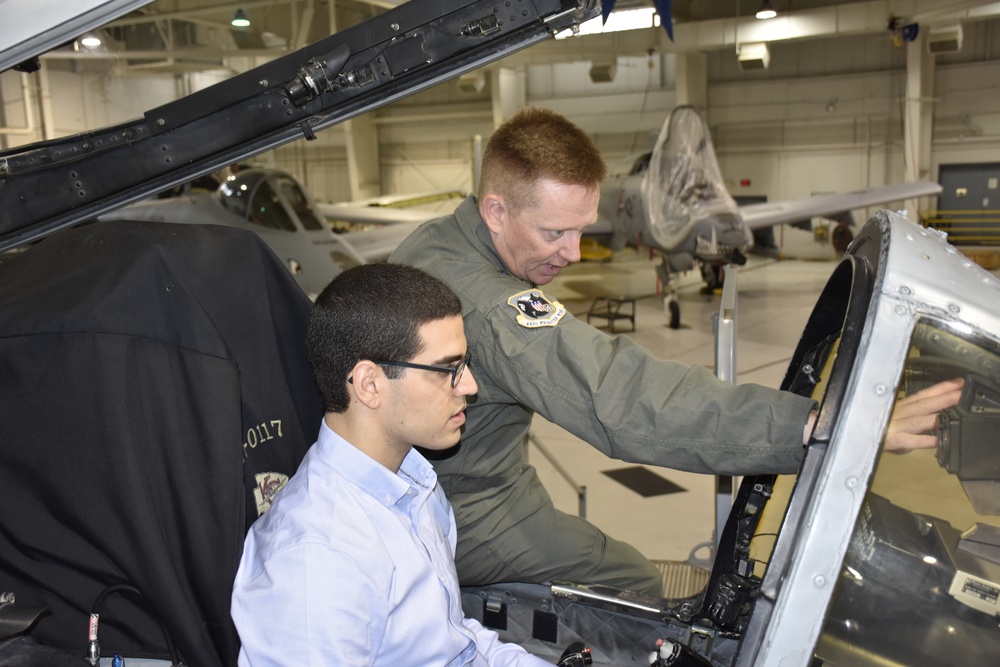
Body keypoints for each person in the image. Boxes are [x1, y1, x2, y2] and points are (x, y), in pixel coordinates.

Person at [389, 106, 963, 597]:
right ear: (496, 211)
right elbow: (623, 396)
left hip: (440, 481)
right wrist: (817, 425)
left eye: (582, 229)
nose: (576, 254)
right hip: (466, 507)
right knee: (632, 581)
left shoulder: (433, 240)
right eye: (555, 233)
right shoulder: (494, 310)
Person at [231, 263, 553, 666]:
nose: (469, 386)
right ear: (369, 384)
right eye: (447, 369)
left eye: (465, 363)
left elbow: (456, 641)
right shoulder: (318, 562)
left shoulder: (416, 484)